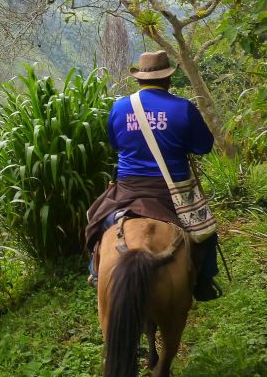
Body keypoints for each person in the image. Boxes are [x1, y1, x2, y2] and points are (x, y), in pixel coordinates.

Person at [85, 50, 221, 302]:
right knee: (207, 231)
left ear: (139, 80)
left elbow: (116, 143)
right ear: (168, 79)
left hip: (127, 188)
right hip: (173, 190)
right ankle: (204, 283)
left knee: (95, 219)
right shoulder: (183, 108)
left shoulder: (120, 107)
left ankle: (95, 271)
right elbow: (204, 146)